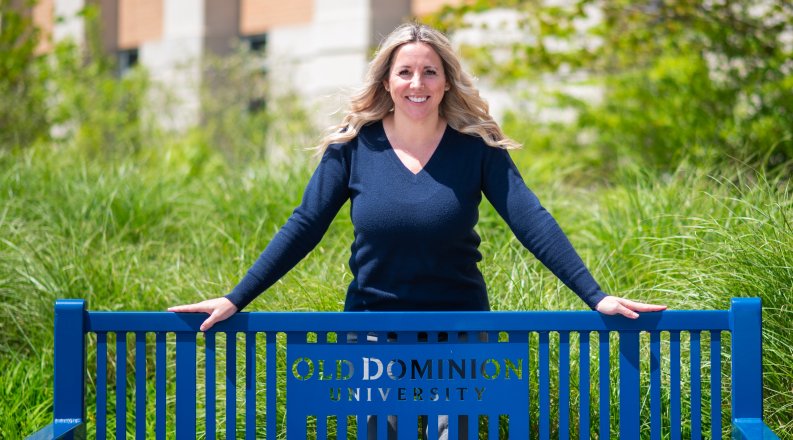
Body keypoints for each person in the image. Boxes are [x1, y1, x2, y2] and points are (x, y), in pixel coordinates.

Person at [170, 22, 666, 439]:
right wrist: (235, 298)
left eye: (430, 71)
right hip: (373, 335)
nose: (417, 83)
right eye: (404, 71)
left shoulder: (476, 148)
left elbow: (531, 219)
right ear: (387, 81)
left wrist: (596, 296)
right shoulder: (352, 148)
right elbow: (304, 226)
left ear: (446, 82)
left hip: (460, 334)